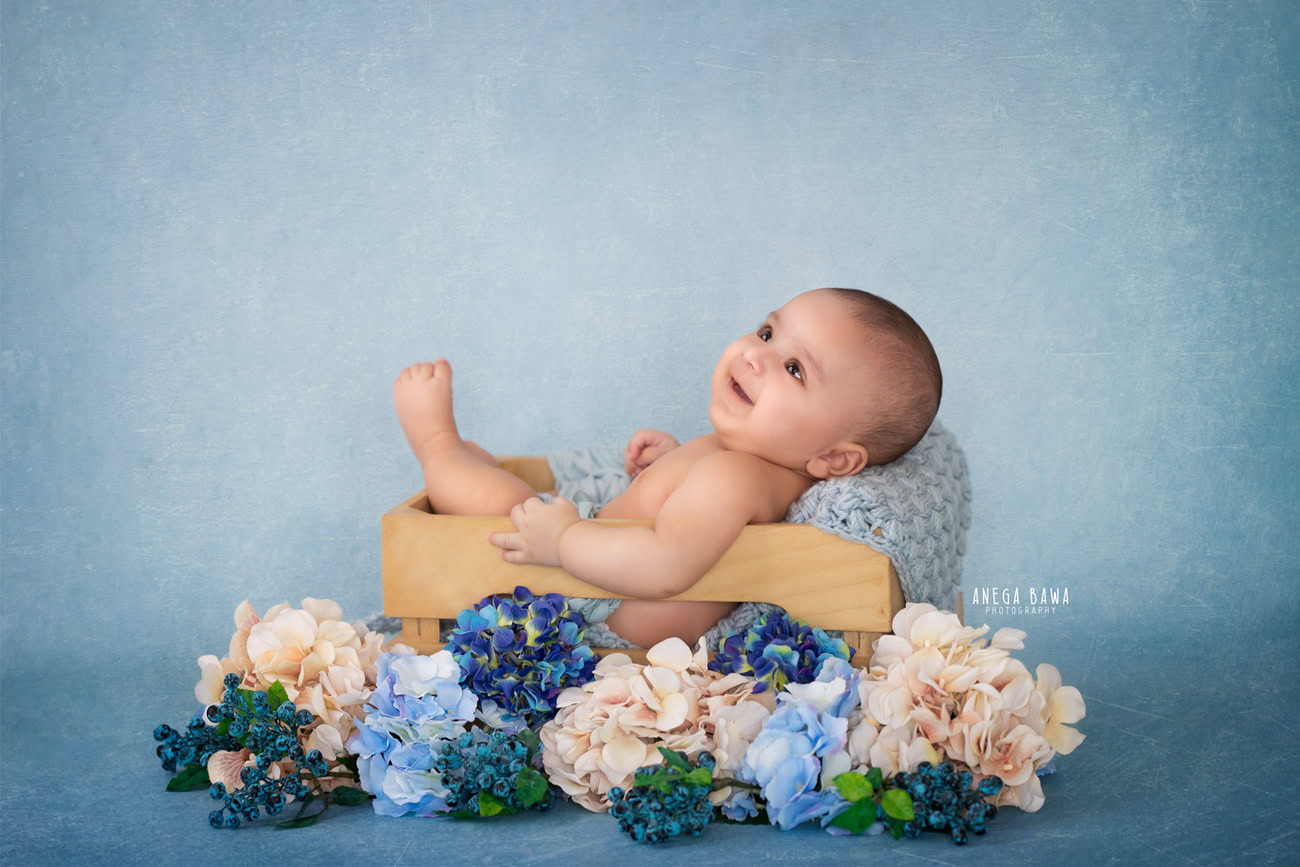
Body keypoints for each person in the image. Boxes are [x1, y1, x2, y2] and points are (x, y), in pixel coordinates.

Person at [393, 287, 942, 648]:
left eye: (795, 369)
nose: (756, 355)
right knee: (505, 492)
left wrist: (563, 542)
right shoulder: (757, 467)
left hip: (593, 589)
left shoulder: (736, 477)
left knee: (494, 508)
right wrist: (671, 467)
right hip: (604, 550)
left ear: (835, 460)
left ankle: (438, 443)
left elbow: (666, 564)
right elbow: (696, 518)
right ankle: (471, 461)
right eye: (769, 333)